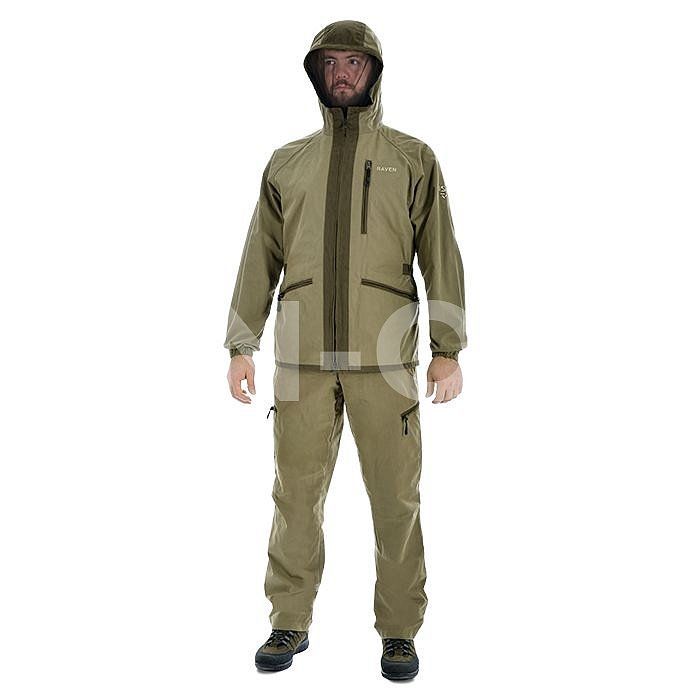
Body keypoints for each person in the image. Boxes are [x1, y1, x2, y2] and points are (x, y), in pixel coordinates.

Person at [223, 19, 467, 680]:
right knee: (293, 499)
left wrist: (448, 347)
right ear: (315, 72)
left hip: (385, 360)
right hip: (300, 359)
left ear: (374, 72)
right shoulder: (287, 162)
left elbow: (440, 255)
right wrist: (242, 345)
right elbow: (259, 257)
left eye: (353, 62)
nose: (341, 73)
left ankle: (399, 631)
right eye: (330, 62)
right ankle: (288, 620)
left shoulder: (413, 158)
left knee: (396, 501)